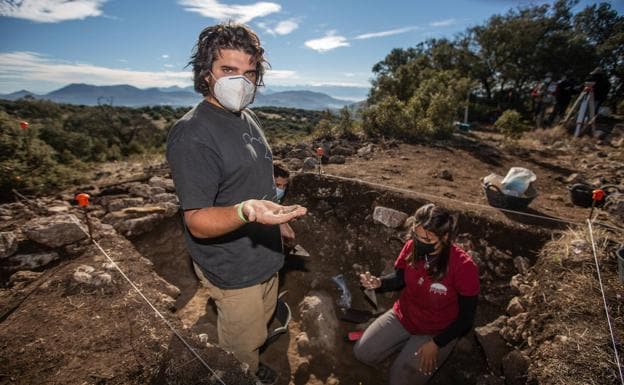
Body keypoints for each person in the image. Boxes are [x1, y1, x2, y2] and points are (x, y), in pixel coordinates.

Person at [166, 22, 306, 385]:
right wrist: (246, 212)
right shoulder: (193, 134)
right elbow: (196, 220)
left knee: (260, 324)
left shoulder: (247, 116)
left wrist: (280, 223)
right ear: (206, 73)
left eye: (249, 73)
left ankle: (253, 364)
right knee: (241, 346)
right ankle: (243, 374)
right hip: (232, 267)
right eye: (228, 70)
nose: (240, 82)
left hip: (264, 253)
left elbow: (255, 183)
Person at [353, 203, 479, 385]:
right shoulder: (412, 247)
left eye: (427, 241)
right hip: (405, 316)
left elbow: (466, 318)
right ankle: (405, 347)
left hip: (437, 330)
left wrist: (437, 343)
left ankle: (413, 350)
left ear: (445, 237)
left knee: (399, 381)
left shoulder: (463, 267)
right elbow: (400, 278)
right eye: (417, 237)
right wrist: (379, 282)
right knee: (362, 353)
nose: (420, 244)